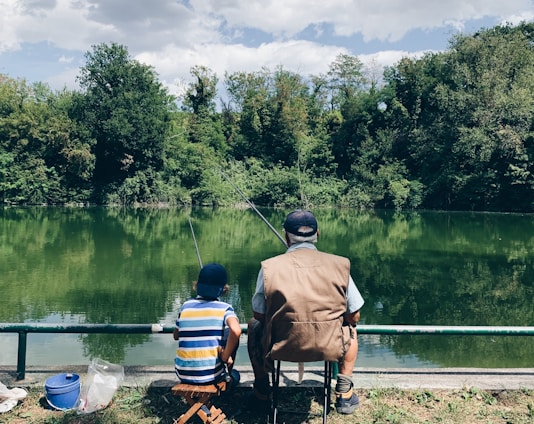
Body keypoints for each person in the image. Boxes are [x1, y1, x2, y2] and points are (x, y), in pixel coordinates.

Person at [247, 210, 365, 414]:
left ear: (286, 236)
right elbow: (353, 314)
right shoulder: (340, 265)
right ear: (318, 234)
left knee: (253, 326)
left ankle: (262, 390)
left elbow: (259, 314)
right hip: (329, 346)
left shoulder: (269, 267)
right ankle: (344, 394)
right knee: (351, 329)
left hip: (280, 345)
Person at [174, 263, 241, 386]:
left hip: (182, 374)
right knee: (236, 375)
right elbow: (236, 331)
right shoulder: (225, 308)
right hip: (210, 376)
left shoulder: (185, 306)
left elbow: (176, 336)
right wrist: (225, 357)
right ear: (223, 289)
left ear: (197, 286)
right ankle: (227, 376)